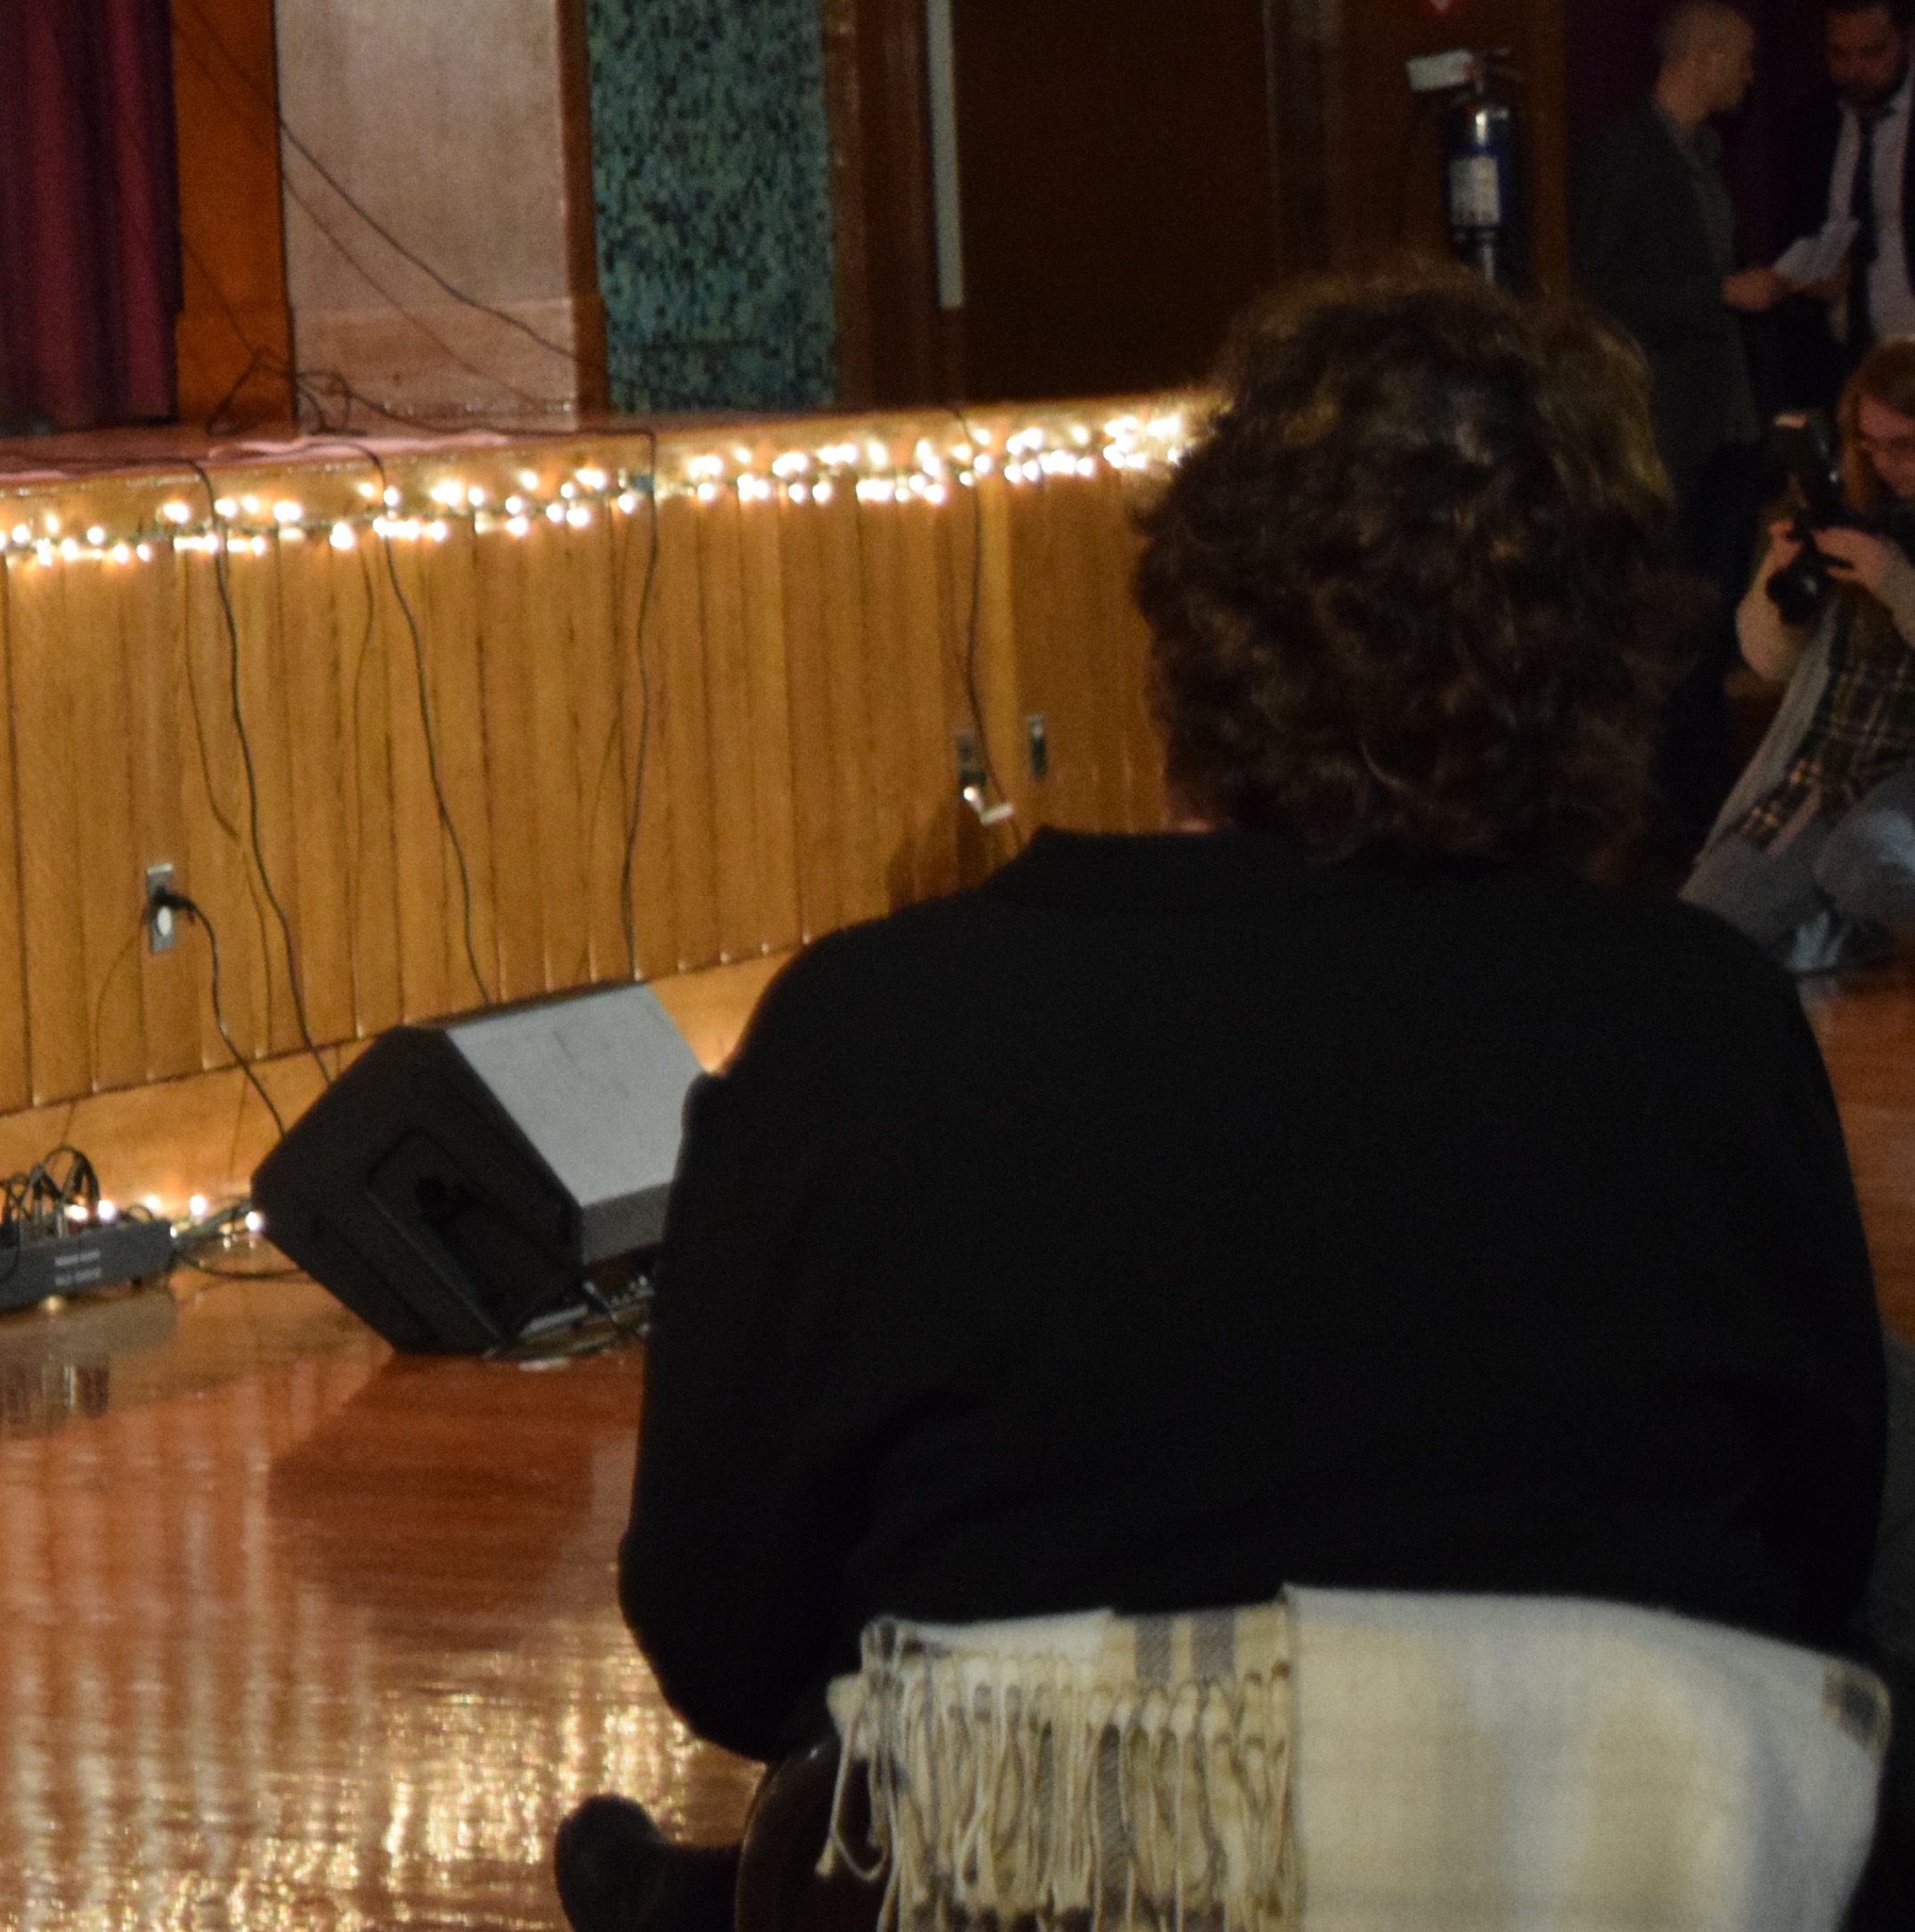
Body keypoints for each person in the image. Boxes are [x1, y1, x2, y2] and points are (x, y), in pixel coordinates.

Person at [561, 271, 1886, 1932]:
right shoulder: (1704, 1025)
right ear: (1608, 665)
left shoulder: (866, 1032)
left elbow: (728, 1646)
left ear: (1187, 627)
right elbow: (1812, 1569)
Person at [1577, 0, 1794, 860]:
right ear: (1700, 58)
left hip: (1726, 420)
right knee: (1676, 615)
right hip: (1672, 425)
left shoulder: (1707, 156)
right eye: (1740, 59)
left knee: (1714, 613)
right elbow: (1601, 289)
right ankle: (1678, 801)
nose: (1748, 76)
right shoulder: (1628, 155)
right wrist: (1719, 293)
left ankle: (1707, 790)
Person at [1684, 337, 1915, 971]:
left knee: (1863, 861)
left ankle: (1863, 914)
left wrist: (1892, 580)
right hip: (1824, 775)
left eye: (1904, 446)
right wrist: (1783, 593)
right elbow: (1768, 663)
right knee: (1700, 936)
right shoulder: (1856, 511)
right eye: (1871, 445)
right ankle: (1853, 934)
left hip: (1904, 779)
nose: (1886, 465)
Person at [1770, 0, 1913, 413]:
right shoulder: (1815, 121)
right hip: (1838, 355)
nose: (1854, 71)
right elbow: (1797, 226)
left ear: (1906, 41)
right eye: (1839, 54)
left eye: (1872, 53)